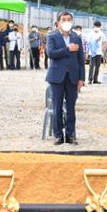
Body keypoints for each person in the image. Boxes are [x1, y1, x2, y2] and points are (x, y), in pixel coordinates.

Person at [46, 11, 85, 145]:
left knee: (71, 107)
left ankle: (70, 134)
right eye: (64, 19)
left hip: (72, 77)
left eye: (69, 19)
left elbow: (81, 60)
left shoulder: (77, 38)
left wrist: (81, 78)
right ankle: (58, 135)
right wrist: (67, 49)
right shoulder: (52, 36)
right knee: (57, 107)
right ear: (58, 23)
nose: (66, 22)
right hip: (56, 76)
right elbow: (51, 53)